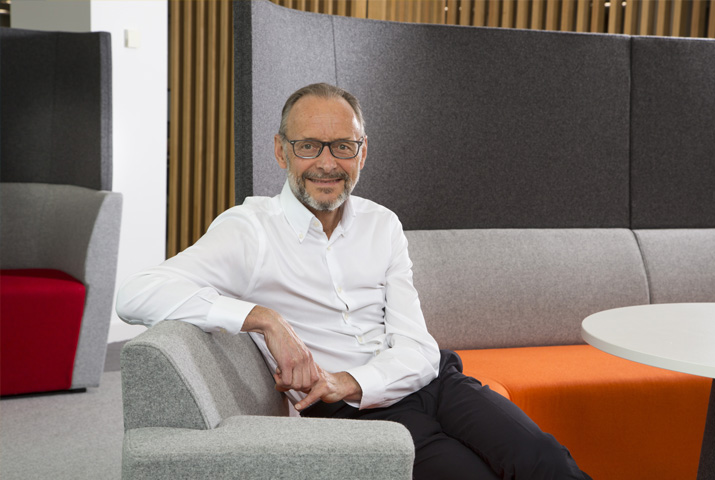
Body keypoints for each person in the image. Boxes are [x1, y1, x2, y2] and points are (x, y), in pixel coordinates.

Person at [116, 83, 591, 480]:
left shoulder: (381, 224)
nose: (327, 163)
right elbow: (136, 293)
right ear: (281, 150)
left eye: (343, 146)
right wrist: (263, 319)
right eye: (308, 146)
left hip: (430, 380)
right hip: (349, 414)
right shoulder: (250, 230)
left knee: (546, 461)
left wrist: (355, 379)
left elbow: (418, 346)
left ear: (363, 153)